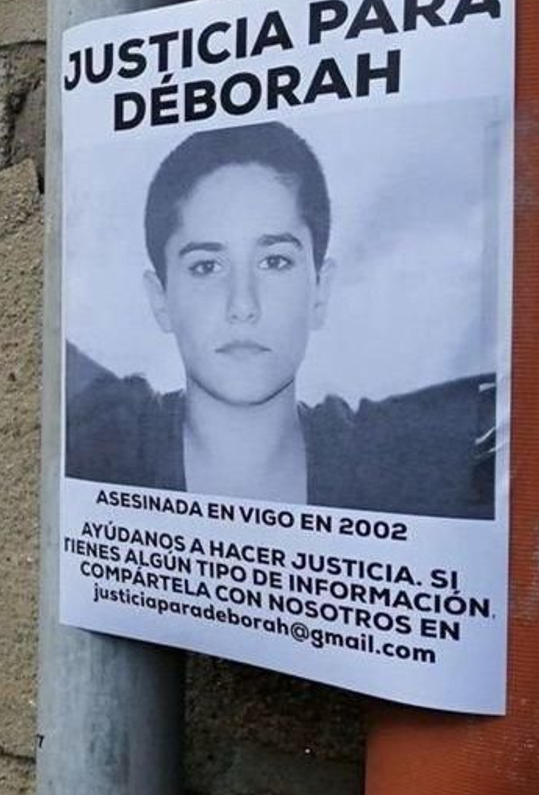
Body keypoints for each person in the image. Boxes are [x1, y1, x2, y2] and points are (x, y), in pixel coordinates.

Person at [66, 121, 495, 518]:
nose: (243, 304)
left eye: (274, 261)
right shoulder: (109, 444)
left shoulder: (397, 461)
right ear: (160, 298)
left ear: (320, 290)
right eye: (205, 266)